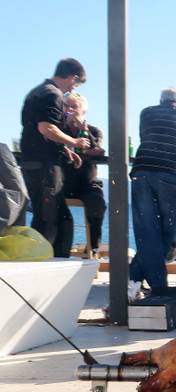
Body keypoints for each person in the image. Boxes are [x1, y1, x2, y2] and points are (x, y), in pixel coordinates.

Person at [128, 88, 176, 301]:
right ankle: (157, 287)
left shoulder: (146, 112)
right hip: (172, 171)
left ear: (161, 101)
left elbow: (147, 138)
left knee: (147, 230)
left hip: (142, 170)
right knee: (167, 232)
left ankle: (135, 281)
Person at [18, 58, 90, 257]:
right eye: (75, 84)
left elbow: (36, 131)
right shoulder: (53, 94)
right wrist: (75, 143)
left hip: (33, 161)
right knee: (50, 219)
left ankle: (50, 260)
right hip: (45, 166)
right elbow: (46, 128)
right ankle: (46, 263)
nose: (72, 89)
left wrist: (64, 150)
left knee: (52, 216)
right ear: (72, 77)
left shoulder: (37, 92)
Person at [59, 92, 106, 256]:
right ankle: (57, 249)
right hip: (61, 182)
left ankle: (93, 249)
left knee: (97, 204)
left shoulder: (93, 130)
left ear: (83, 111)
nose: (70, 110)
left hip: (86, 184)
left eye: (74, 107)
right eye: (66, 106)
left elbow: (99, 151)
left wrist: (83, 129)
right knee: (48, 201)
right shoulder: (58, 129)